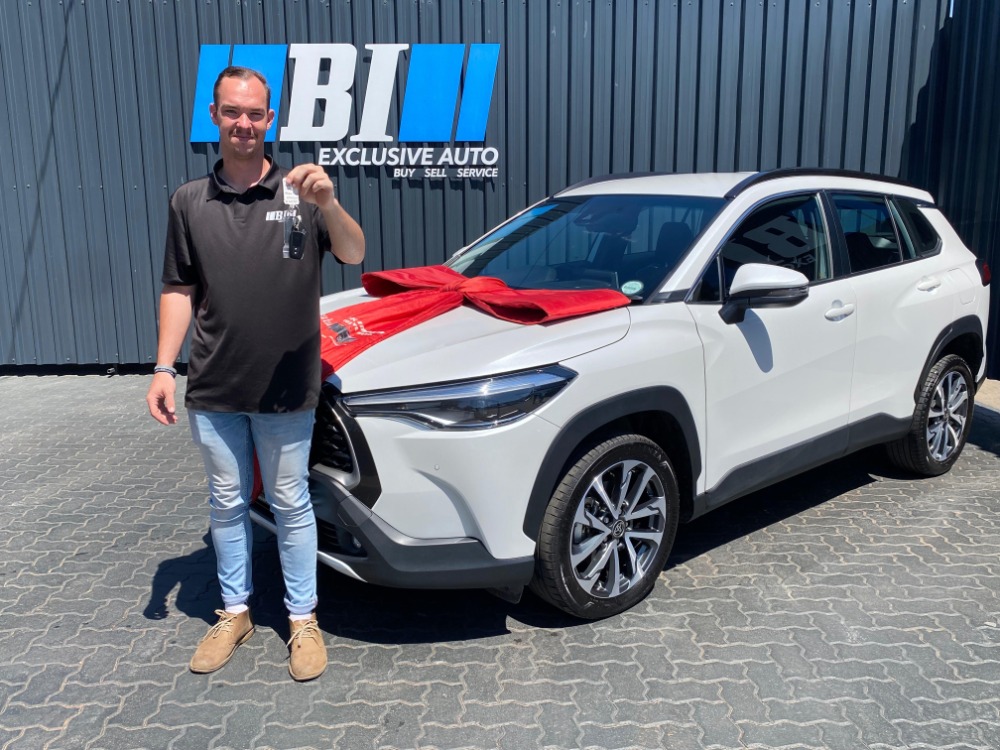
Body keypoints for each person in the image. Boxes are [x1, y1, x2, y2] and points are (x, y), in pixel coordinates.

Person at [145, 65, 364, 681]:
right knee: (226, 502)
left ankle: (303, 618)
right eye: (232, 111)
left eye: (255, 113)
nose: (244, 123)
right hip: (215, 384)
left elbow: (353, 252)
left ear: (270, 120)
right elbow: (179, 287)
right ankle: (235, 612)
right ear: (214, 116)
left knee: (291, 502)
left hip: (288, 387)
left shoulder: (302, 191)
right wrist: (163, 367)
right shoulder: (189, 201)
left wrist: (330, 203)